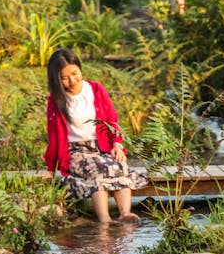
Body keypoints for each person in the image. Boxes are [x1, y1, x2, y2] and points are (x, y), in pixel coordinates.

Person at [43, 47, 148, 223]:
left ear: (80, 68)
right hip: (75, 151)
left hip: (101, 147)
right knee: (98, 169)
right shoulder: (55, 100)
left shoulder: (96, 89)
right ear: (56, 79)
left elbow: (111, 120)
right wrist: (50, 169)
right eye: (65, 78)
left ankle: (124, 214)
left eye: (75, 73)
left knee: (120, 165)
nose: (72, 80)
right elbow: (54, 136)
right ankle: (105, 220)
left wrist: (117, 144)